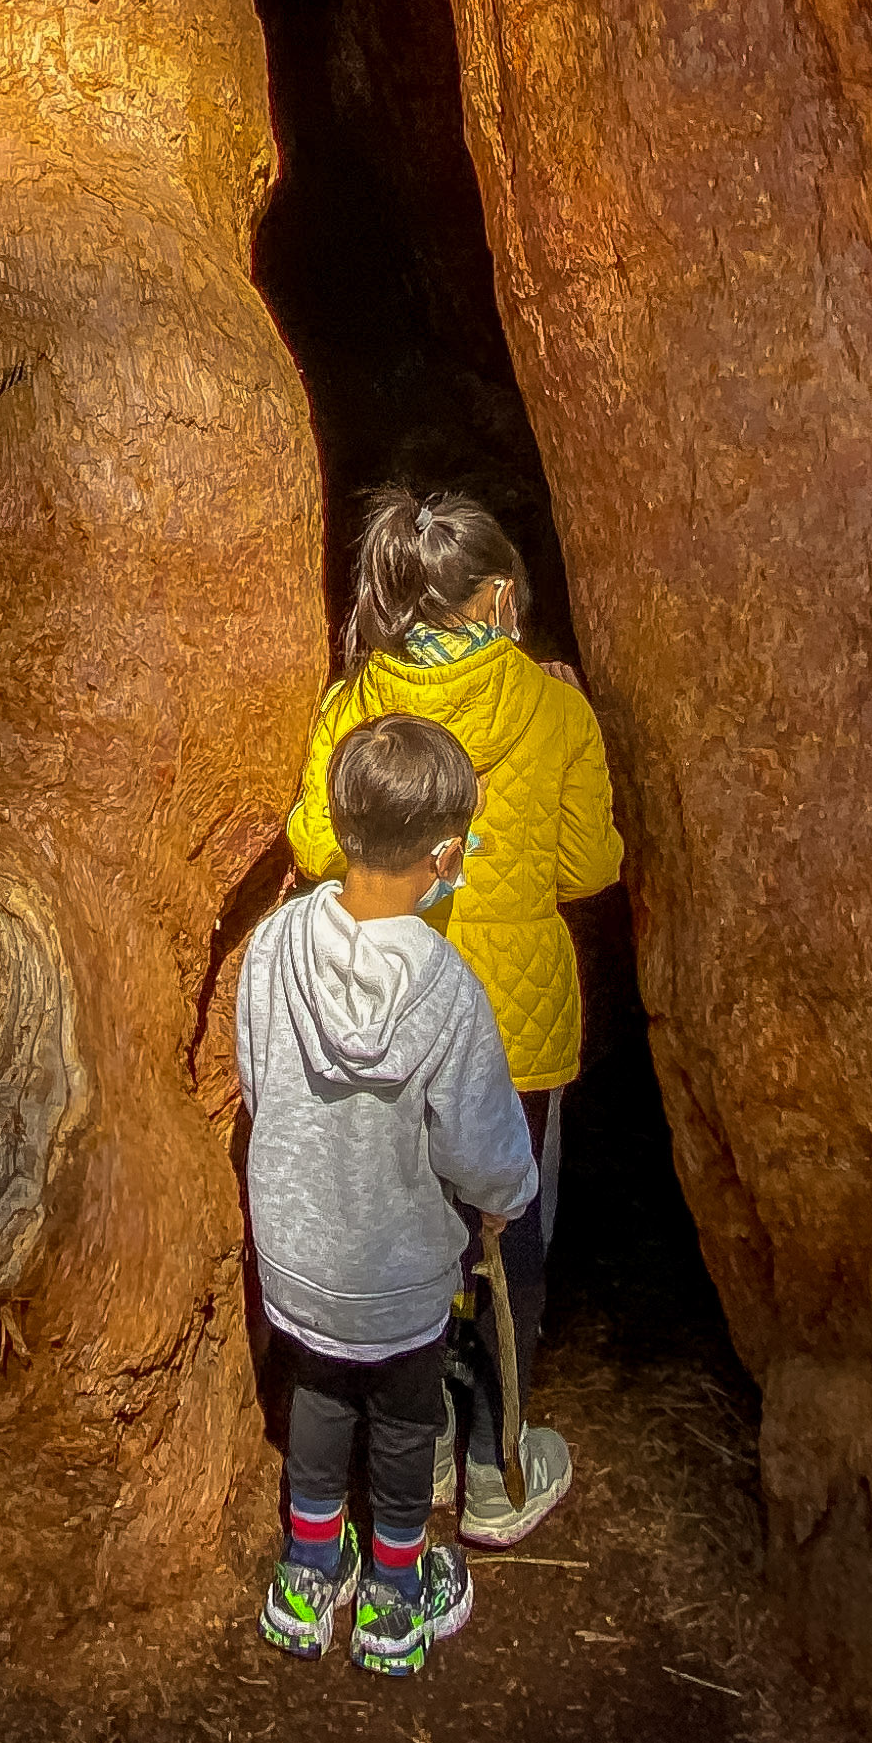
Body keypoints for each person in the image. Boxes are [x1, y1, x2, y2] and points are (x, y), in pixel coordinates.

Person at [285, 487, 619, 1545]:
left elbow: (311, 843)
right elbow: (588, 867)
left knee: (407, 1230)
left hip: (385, 1007)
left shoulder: (355, 707)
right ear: (503, 596)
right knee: (508, 1230)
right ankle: (496, 1466)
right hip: (513, 1024)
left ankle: (418, 1440)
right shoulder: (554, 707)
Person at [237, 714, 539, 1677]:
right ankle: (395, 1602)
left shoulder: (276, 945)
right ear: (447, 854)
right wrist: (504, 1199)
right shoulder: (448, 991)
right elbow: (482, 1140)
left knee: (320, 1394)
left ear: (339, 822)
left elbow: (256, 1078)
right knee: (408, 1421)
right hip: (403, 1275)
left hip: (299, 1254)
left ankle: (305, 1578)